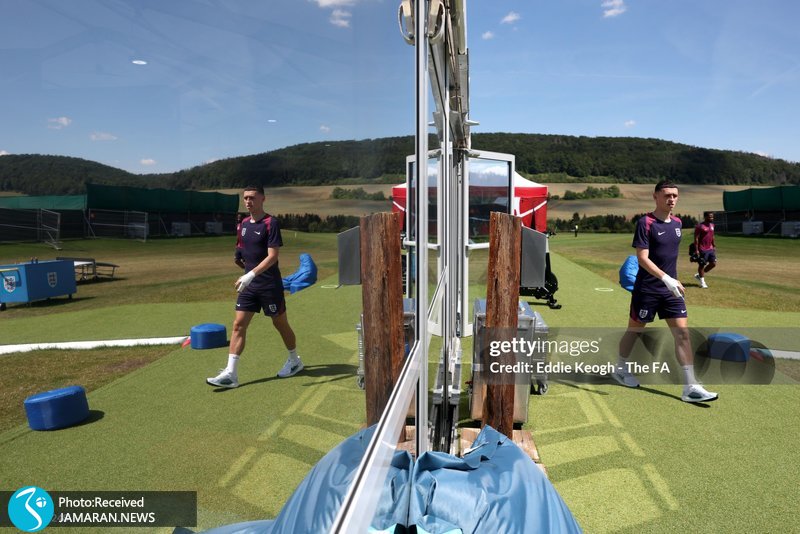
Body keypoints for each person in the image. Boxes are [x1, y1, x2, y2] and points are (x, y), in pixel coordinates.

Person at [611, 180, 718, 403]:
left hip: (671, 290)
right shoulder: (646, 223)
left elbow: (669, 257)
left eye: (675, 196)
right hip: (647, 290)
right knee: (634, 332)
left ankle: (690, 386)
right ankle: (620, 368)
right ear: (656, 196)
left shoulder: (678, 223)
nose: (671, 199)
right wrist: (666, 278)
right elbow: (642, 258)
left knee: (682, 334)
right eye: (667, 195)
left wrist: (672, 281)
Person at [207, 185, 303, 388]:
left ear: (263, 199)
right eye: (245, 198)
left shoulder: (271, 223)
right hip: (249, 286)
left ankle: (295, 361)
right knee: (238, 325)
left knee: (280, 324)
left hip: (269, 286)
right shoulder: (242, 224)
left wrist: (250, 274)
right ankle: (231, 374)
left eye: (252, 198)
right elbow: (241, 250)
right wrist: (242, 267)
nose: (248, 201)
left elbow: (272, 256)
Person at [693, 211, 716, 289]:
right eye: (710, 217)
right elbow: (696, 238)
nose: (711, 218)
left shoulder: (712, 225)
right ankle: (703, 283)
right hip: (702, 249)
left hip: (710, 248)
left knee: (713, 264)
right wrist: (696, 250)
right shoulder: (700, 226)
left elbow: (712, 236)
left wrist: (714, 245)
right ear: (705, 217)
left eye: (712, 217)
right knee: (702, 265)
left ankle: (699, 275)